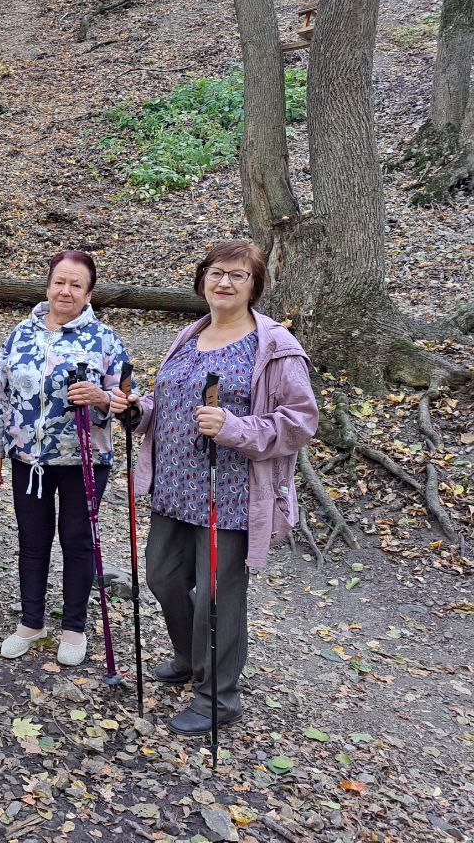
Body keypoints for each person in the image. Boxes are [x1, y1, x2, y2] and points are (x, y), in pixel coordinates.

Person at [109, 240, 317, 735]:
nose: (224, 282)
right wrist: (139, 413)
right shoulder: (189, 335)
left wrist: (234, 428)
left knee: (218, 596)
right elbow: (168, 405)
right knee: (161, 576)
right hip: (175, 487)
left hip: (231, 496)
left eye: (238, 276)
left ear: (254, 287)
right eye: (216, 273)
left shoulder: (275, 348)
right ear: (203, 279)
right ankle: (190, 656)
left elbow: (300, 422)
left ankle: (218, 695)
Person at [0, 251, 130, 665]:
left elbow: (126, 402)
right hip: (27, 458)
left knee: (78, 543)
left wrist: (102, 398)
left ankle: (74, 627)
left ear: (88, 293)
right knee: (32, 542)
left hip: (84, 460)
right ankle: (31, 621)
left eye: (76, 285)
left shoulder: (105, 340)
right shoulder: (20, 334)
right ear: (48, 284)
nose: (65, 291)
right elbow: (0, 396)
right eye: (59, 282)